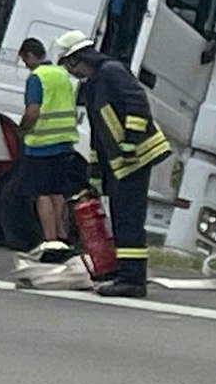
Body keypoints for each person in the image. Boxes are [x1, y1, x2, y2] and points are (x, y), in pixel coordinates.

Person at [55, 30, 170, 298]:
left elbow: (137, 103)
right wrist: (95, 170)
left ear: (76, 59)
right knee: (121, 217)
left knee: (128, 219)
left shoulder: (111, 72)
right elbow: (99, 130)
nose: (69, 72)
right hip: (120, 162)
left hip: (137, 157)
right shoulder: (95, 82)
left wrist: (130, 141)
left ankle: (133, 281)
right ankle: (126, 273)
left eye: (67, 65)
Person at [16, 37, 86, 257]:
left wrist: (22, 130)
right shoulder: (61, 75)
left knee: (42, 194)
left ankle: (49, 241)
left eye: (24, 60)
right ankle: (62, 239)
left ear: (29, 55)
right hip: (65, 142)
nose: (26, 65)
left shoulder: (36, 78)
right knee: (58, 193)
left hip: (41, 145)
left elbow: (32, 112)